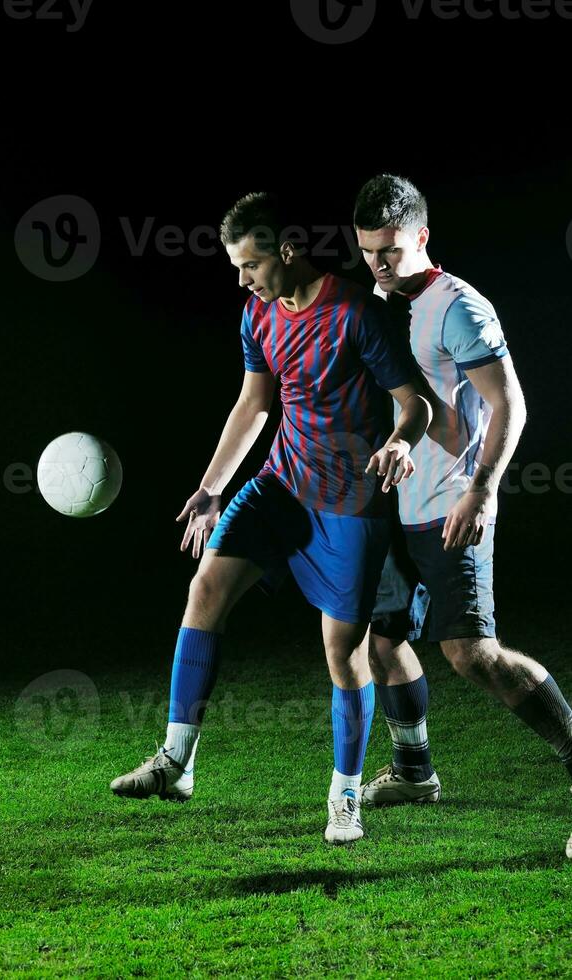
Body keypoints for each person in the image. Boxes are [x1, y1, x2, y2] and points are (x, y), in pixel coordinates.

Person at [110, 192, 431, 844]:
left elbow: (413, 402)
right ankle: (177, 762)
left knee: (346, 653)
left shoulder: (356, 313)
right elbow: (253, 403)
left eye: (249, 264)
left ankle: (346, 799)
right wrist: (210, 488)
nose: (242, 279)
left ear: (286, 251)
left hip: (349, 504)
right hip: (280, 486)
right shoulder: (257, 314)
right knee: (205, 589)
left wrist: (400, 439)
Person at [354, 174, 572, 858]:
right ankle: (415, 773)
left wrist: (483, 488)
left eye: (390, 250)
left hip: (455, 502)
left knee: (469, 653)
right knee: (379, 639)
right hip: (399, 506)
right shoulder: (383, 305)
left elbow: (511, 405)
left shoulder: (459, 308)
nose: (379, 264)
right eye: (367, 252)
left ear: (421, 238)